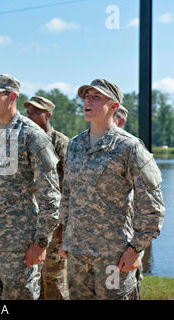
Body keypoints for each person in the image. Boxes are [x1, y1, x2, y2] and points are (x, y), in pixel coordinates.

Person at [58, 78, 165, 300]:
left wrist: (135, 249)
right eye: (86, 96)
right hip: (78, 256)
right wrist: (66, 237)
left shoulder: (129, 148)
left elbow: (152, 206)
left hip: (114, 258)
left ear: (114, 106)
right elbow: (67, 194)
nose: (88, 101)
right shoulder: (75, 145)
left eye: (96, 97)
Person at [0, 74, 61, 300]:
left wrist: (41, 242)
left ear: (12, 97)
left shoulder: (32, 136)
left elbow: (51, 195)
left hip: (20, 247)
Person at [24, 96, 69, 300]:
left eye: (34, 112)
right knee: (31, 280)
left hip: (54, 223)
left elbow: (70, 187)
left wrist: (64, 227)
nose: (29, 115)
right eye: (28, 111)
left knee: (54, 280)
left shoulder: (60, 143)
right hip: (29, 223)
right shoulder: (25, 140)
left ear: (47, 115)